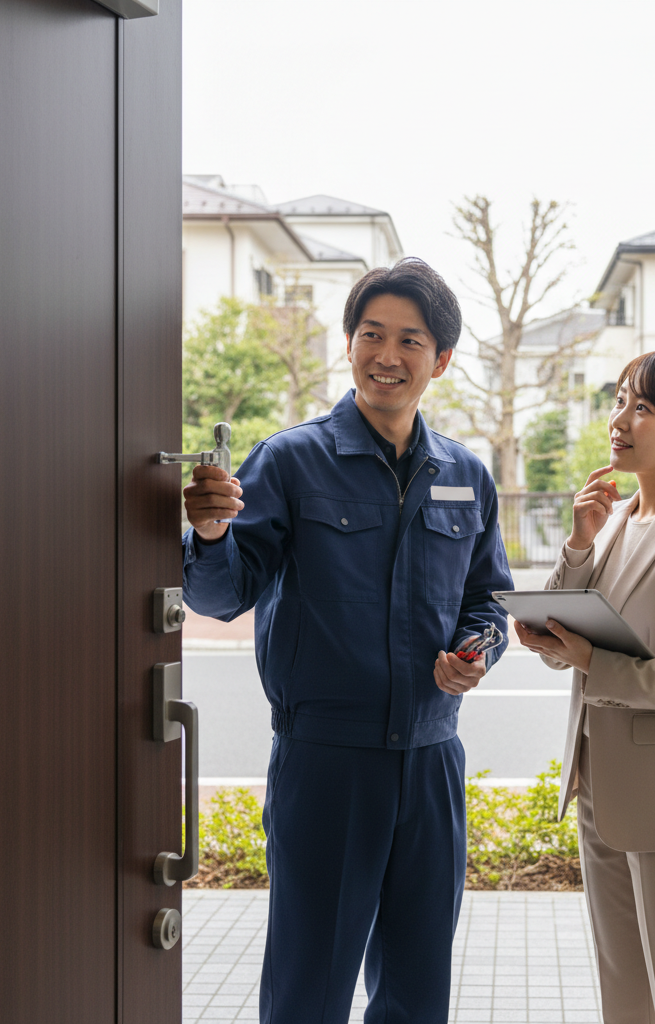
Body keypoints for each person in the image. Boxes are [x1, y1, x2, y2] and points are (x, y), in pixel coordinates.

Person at [181, 257, 513, 1024]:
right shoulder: (291, 459)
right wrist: (208, 531)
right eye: (371, 334)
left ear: (442, 360)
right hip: (327, 763)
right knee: (309, 991)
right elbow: (221, 594)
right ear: (349, 342)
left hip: (431, 760)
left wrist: (476, 652)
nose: (386, 355)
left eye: (409, 340)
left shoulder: (466, 472)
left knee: (417, 991)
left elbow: (487, 600)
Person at [516, 349, 655, 1024]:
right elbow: (566, 645)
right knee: (624, 994)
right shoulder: (616, 523)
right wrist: (578, 544)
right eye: (619, 401)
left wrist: (591, 664)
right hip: (601, 789)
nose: (620, 420)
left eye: (643, 407)